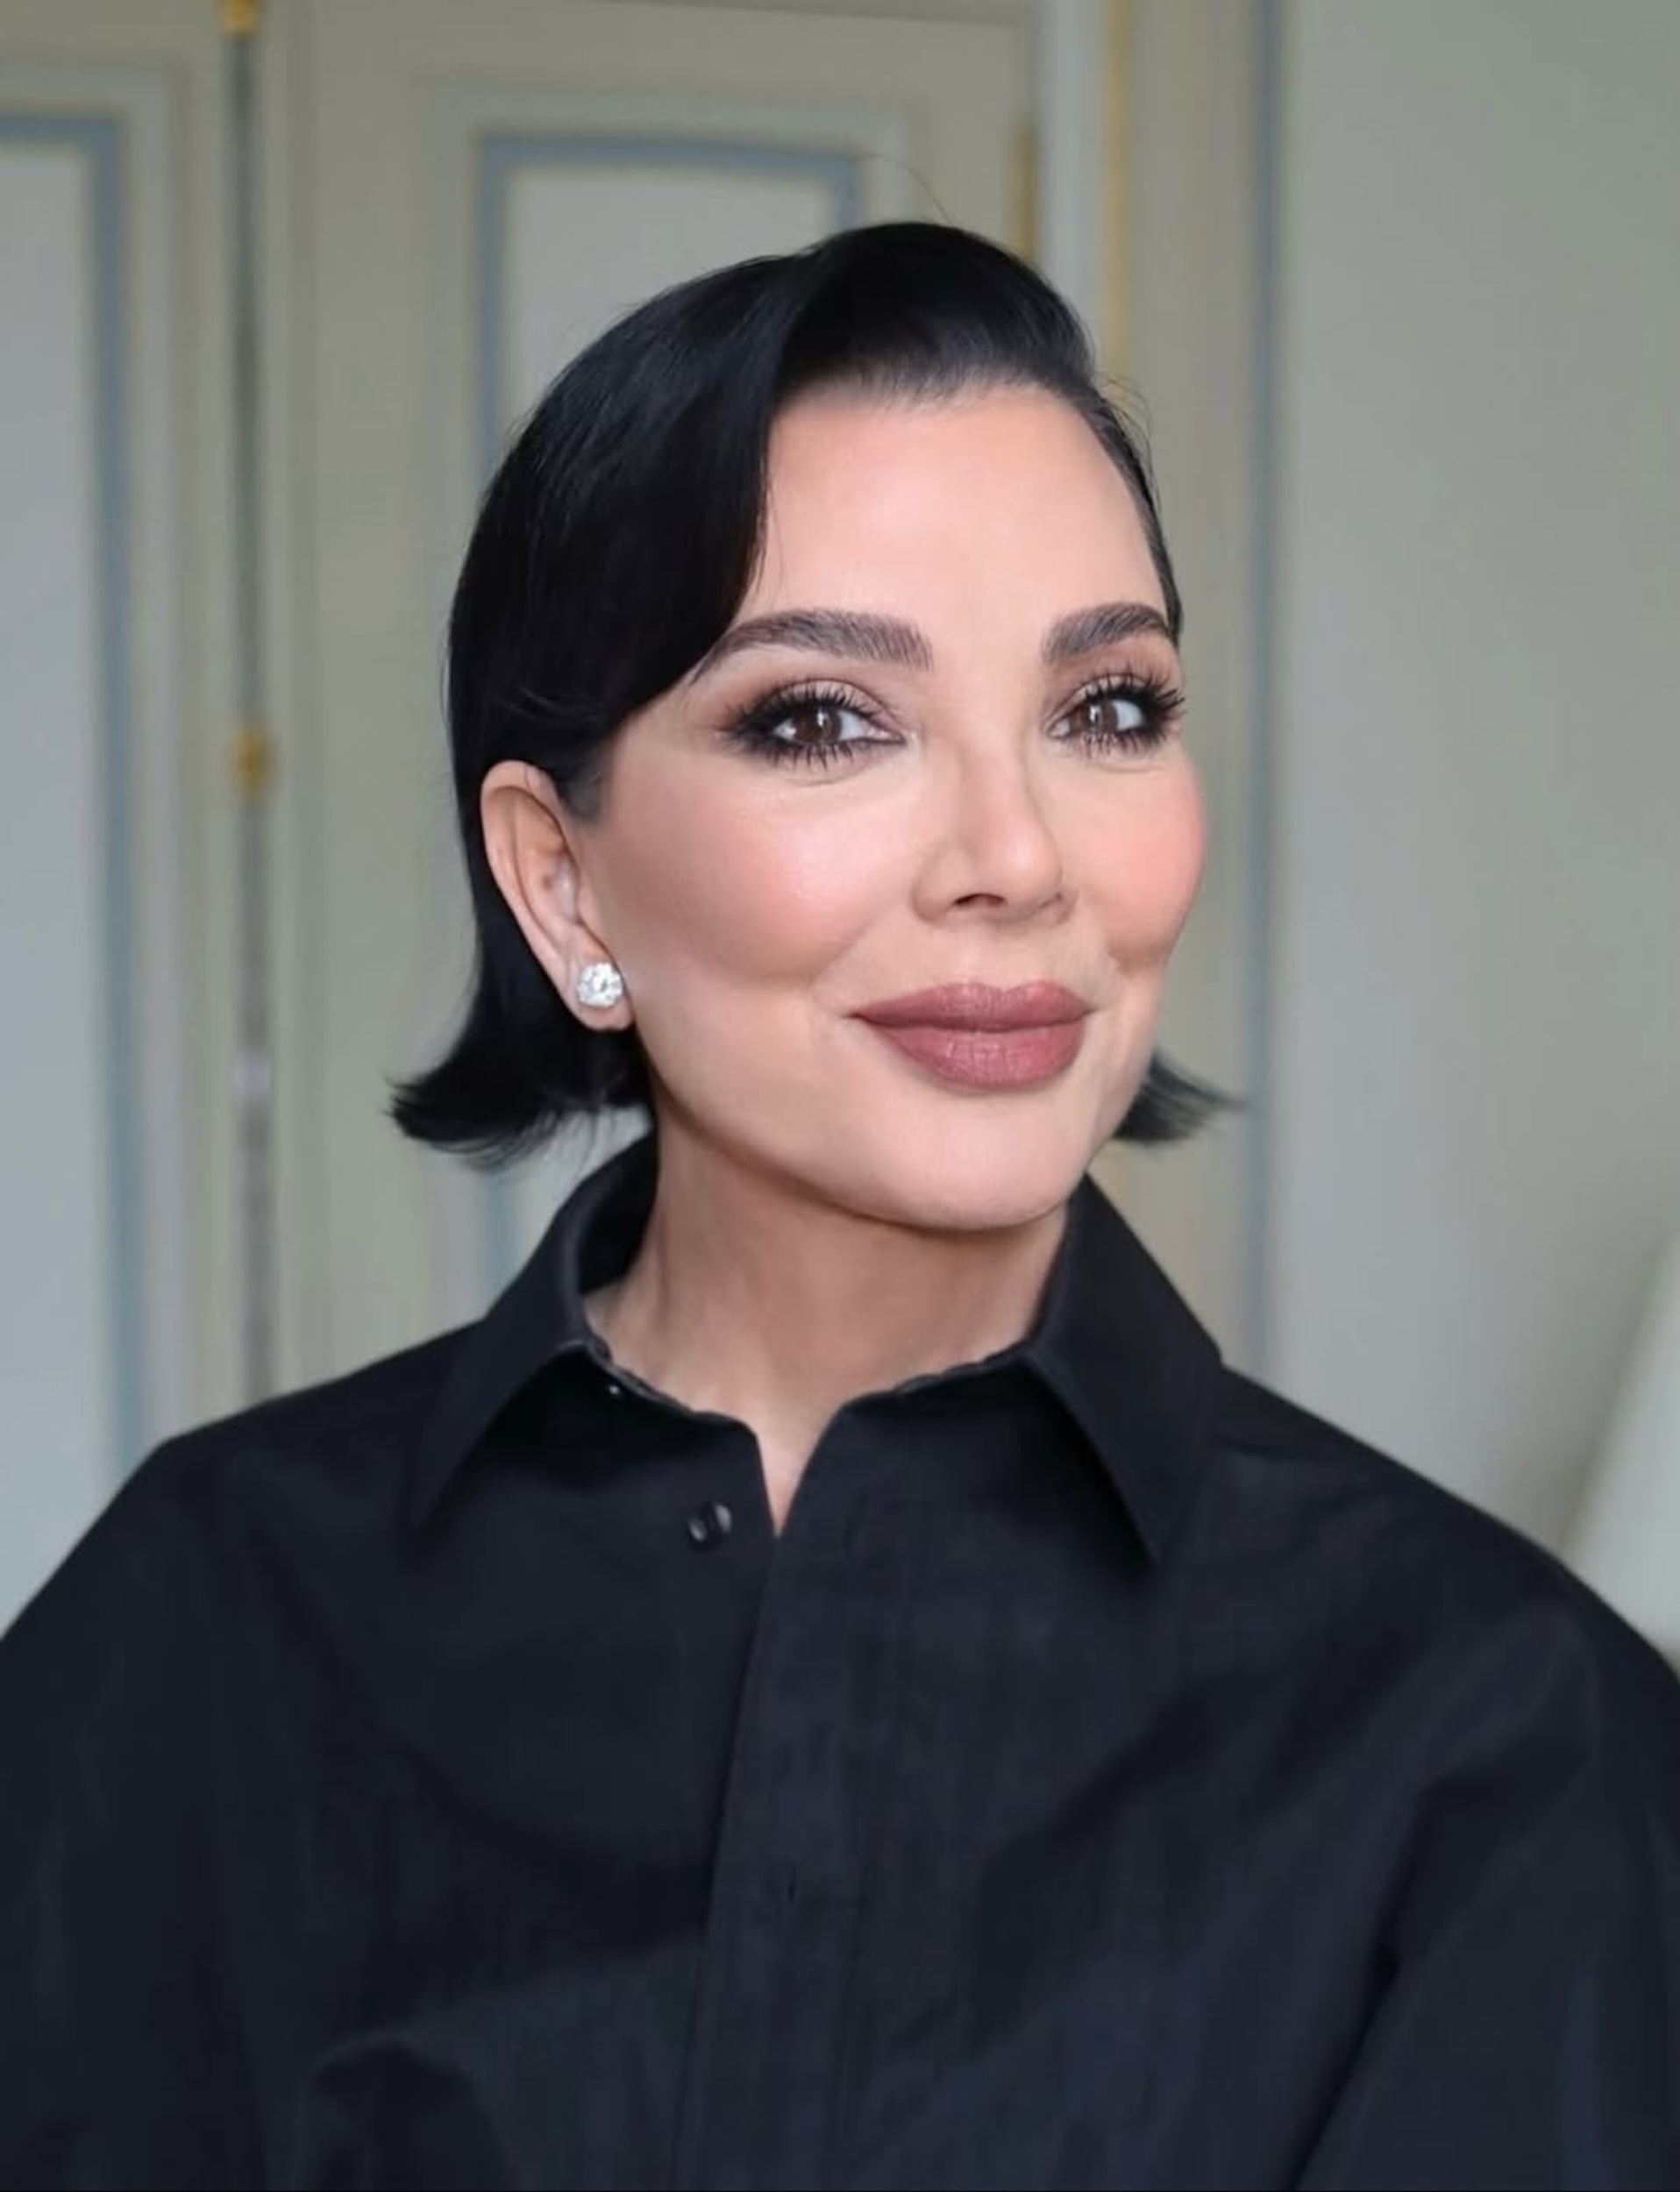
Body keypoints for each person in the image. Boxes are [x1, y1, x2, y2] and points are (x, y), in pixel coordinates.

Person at [2, 222, 1676, 2192]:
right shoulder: (203, 1621)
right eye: (822, 719)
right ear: (560, 879)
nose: (1014, 855)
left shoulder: (1504, 1731)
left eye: (1107, 708)